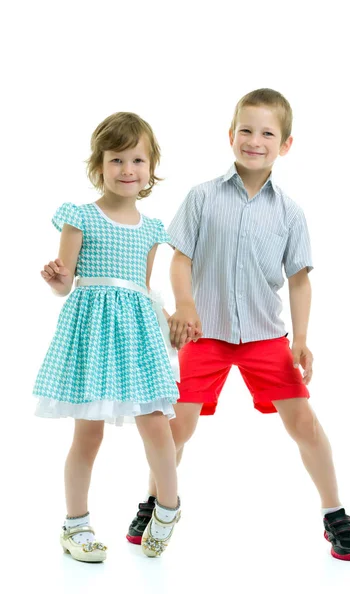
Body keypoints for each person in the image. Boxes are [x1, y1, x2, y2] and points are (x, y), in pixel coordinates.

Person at [127, 89, 350, 561]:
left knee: (305, 423)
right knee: (176, 428)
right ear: (231, 135)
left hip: (265, 337)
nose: (255, 141)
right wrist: (186, 305)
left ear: (286, 144)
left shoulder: (290, 212)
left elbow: (299, 282)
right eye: (247, 131)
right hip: (203, 334)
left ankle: (334, 512)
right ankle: (155, 501)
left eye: (267, 133)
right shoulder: (202, 197)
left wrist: (300, 340)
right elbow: (181, 259)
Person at [34, 112, 182, 560]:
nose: (127, 170)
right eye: (116, 160)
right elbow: (67, 284)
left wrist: (171, 319)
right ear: (99, 164)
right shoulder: (80, 217)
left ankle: (168, 508)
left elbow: (144, 287)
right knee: (89, 435)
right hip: (93, 334)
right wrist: (56, 278)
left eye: (137, 160)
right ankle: (75, 525)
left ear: (150, 167)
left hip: (137, 336)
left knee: (156, 425)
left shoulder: (153, 229)